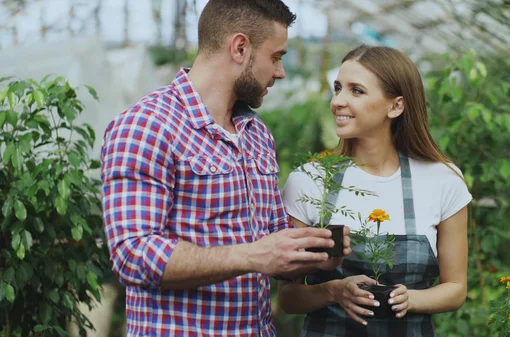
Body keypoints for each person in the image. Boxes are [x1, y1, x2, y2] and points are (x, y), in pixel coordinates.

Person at [100, 1, 350, 336]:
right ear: (240, 47)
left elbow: (271, 246)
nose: (281, 72)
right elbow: (133, 254)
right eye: (276, 56)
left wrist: (312, 253)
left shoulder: (256, 133)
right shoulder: (148, 125)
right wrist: (251, 256)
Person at [278, 45, 473, 336]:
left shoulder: (443, 180)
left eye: (356, 91)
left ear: (396, 106)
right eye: (338, 88)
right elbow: (288, 297)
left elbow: (455, 288)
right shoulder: (310, 181)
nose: (338, 101)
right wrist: (335, 291)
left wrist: (411, 298)